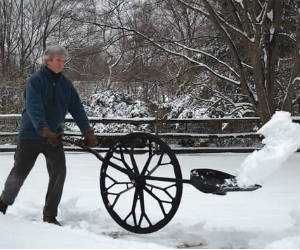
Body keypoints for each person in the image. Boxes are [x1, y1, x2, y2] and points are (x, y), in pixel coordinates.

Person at [0, 45, 98, 226]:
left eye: (63, 60)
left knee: (59, 172)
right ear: (48, 61)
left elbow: (77, 108)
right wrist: (44, 129)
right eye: (58, 60)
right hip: (31, 136)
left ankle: (49, 215)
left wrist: (87, 131)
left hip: (54, 138)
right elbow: (34, 108)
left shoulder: (66, 84)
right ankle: (3, 203)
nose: (62, 63)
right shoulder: (35, 81)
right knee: (20, 172)